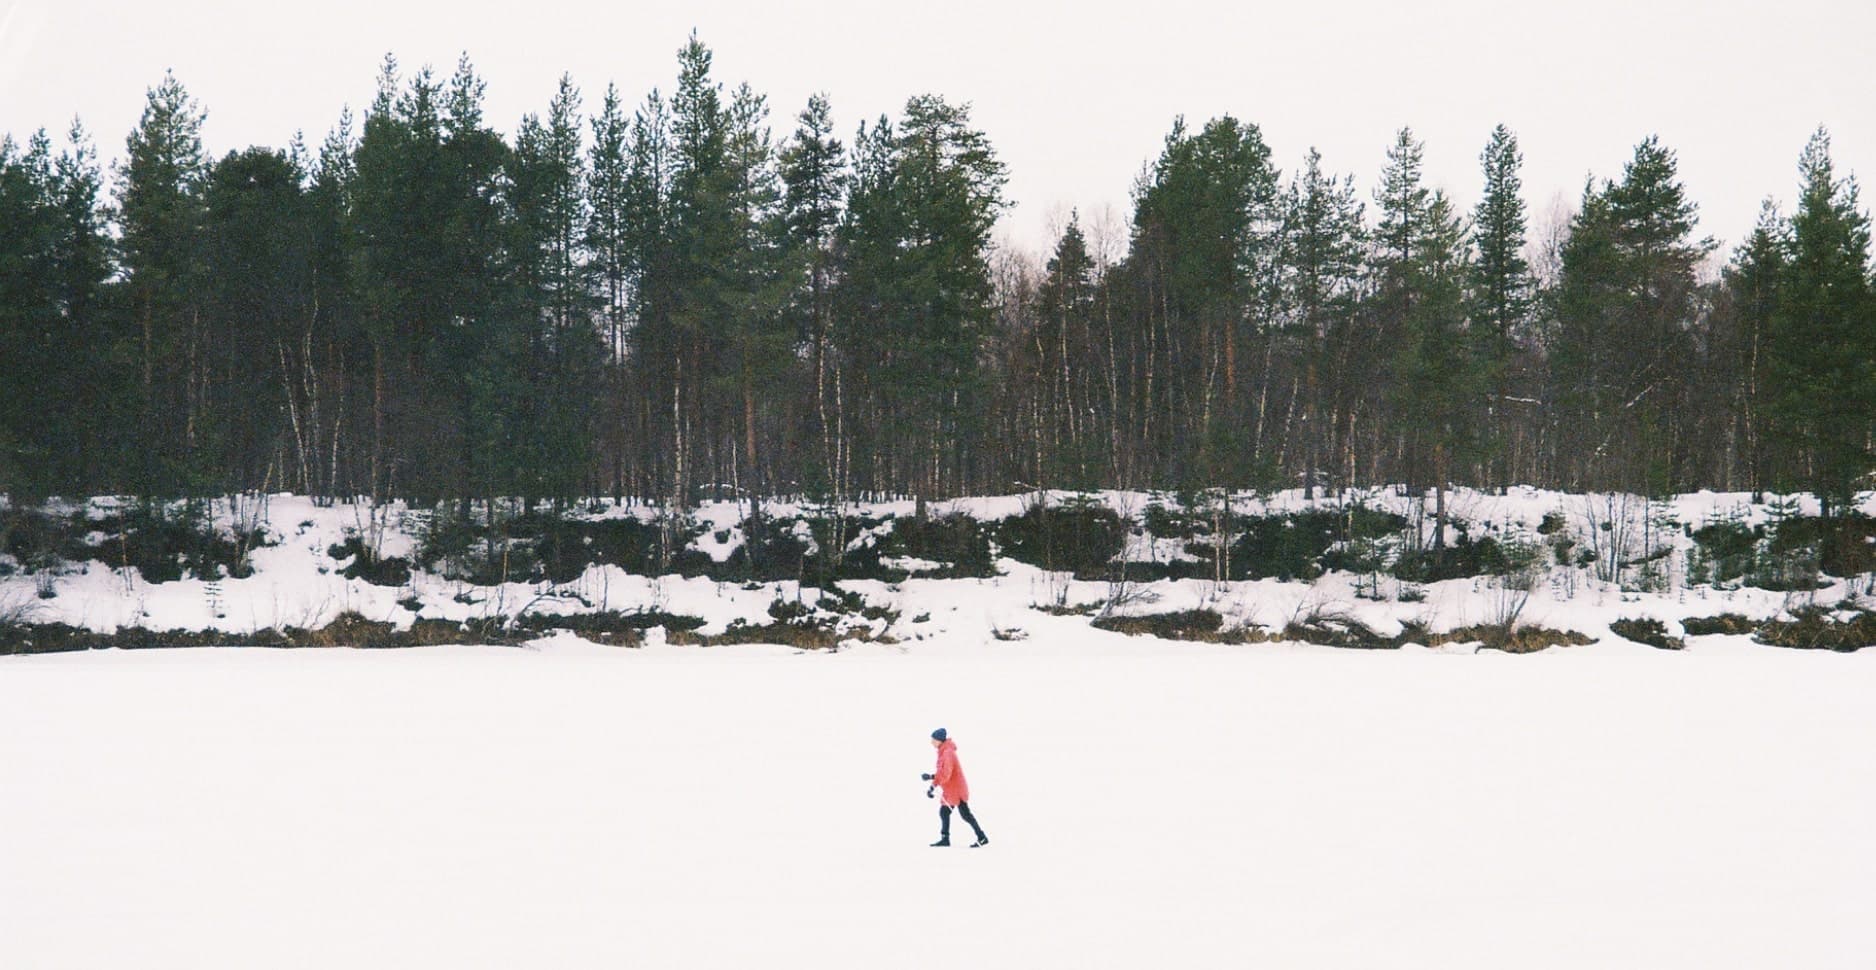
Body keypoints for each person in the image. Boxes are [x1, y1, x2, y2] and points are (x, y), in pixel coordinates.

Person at [921, 728, 988, 847]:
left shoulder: (948, 753)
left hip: (956, 790)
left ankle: (982, 837)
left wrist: (932, 781)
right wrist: (932, 782)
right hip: (950, 789)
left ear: (940, 740)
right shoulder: (944, 752)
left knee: (965, 815)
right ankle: (945, 839)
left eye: (933, 740)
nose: (931, 742)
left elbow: (945, 774)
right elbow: (942, 773)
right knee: (944, 812)